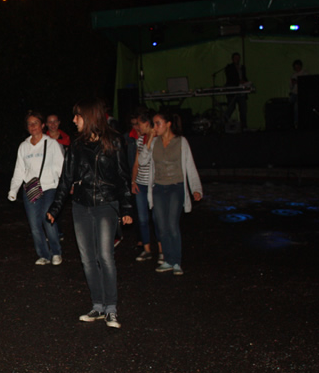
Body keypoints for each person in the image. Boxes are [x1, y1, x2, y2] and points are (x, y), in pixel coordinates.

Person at [47, 99, 133, 329]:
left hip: (106, 204)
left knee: (105, 256)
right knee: (87, 259)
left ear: (89, 116)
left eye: (77, 115)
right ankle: (98, 305)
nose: (74, 120)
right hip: (81, 205)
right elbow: (66, 178)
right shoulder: (76, 145)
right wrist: (55, 208)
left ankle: (111, 308)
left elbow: (123, 177)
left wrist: (126, 208)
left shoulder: (114, 141)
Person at [138, 108, 203, 276]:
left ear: (168, 124)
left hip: (176, 186)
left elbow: (190, 166)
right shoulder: (154, 142)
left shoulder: (181, 142)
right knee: (161, 225)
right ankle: (167, 259)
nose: (155, 127)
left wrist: (196, 188)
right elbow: (142, 161)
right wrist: (149, 140)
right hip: (158, 187)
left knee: (172, 224)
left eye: (158, 124)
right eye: (154, 124)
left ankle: (176, 261)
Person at [8, 111, 65, 265]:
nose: (33, 126)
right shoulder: (24, 146)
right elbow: (19, 170)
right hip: (31, 188)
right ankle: (43, 254)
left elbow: (60, 166)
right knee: (34, 224)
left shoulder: (52, 144)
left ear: (42, 125)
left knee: (48, 218)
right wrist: (13, 190)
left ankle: (56, 252)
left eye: (36, 123)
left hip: (50, 187)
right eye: (29, 124)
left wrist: (64, 186)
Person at [130, 108, 162, 263]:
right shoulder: (141, 139)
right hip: (141, 184)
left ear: (148, 124)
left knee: (157, 219)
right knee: (142, 219)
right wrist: (133, 181)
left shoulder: (159, 140)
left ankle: (162, 251)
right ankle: (147, 249)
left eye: (140, 124)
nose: (138, 127)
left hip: (154, 184)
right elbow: (137, 163)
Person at [224, 52, 249, 129]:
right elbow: (230, 78)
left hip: (241, 91)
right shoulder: (229, 67)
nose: (237, 60)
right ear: (232, 59)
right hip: (232, 90)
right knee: (231, 107)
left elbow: (244, 77)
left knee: (243, 109)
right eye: (236, 58)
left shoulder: (242, 67)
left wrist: (247, 83)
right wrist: (238, 81)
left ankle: (244, 126)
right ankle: (223, 123)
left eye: (238, 58)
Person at [289, 59, 306, 128]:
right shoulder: (293, 75)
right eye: (295, 67)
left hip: (302, 94)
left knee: (296, 106)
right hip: (294, 93)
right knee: (288, 104)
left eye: (298, 67)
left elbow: (307, 84)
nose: (297, 68)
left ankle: (296, 123)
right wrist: (293, 83)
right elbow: (291, 87)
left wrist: (298, 82)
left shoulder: (305, 73)